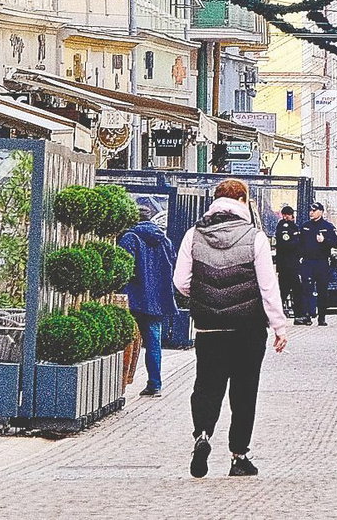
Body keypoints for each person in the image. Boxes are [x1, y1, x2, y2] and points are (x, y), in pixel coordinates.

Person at [173, 178, 291, 478]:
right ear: (241, 201)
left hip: (209, 327)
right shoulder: (255, 238)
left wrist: (205, 295)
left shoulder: (193, 235)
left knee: (206, 385)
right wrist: (279, 326)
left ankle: (202, 434)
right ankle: (239, 456)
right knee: (244, 391)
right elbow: (268, 287)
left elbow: (181, 281)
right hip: (247, 328)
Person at [118, 201, 178, 396]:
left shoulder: (129, 238)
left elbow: (123, 267)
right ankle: (155, 383)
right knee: (154, 343)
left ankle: (120, 382)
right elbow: (172, 263)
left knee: (126, 341)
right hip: (157, 300)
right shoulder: (164, 240)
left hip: (133, 298)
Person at [293, 202, 337, 326]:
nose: (311, 213)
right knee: (306, 289)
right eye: (310, 210)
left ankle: (322, 317)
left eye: (314, 210)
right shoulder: (305, 226)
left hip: (321, 262)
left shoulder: (327, 226)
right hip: (307, 262)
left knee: (322, 290)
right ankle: (307, 315)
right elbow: (299, 244)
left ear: (321, 212)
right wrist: (299, 258)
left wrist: (325, 241)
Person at [272, 205, 302, 318]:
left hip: (293, 264)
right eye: (285, 215)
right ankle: (277, 314)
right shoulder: (283, 226)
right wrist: (297, 243)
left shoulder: (294, 226)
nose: (286, 217)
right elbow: (286, 243)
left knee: (296, 290)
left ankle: (298, 314)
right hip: (286, 264)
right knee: (284, 290)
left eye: (288, 215)